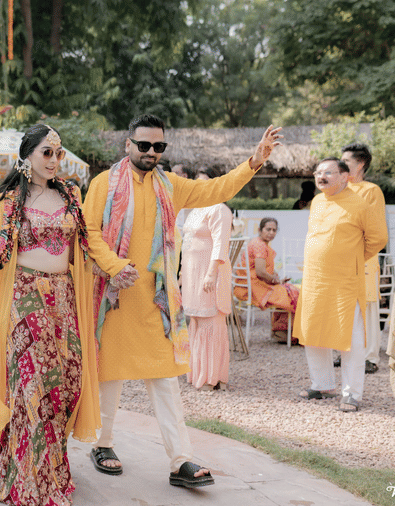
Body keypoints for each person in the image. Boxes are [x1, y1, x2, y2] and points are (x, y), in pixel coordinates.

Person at [83, 114, 282, 486]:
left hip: (157, 303)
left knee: (165, 380)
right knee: (109, 376)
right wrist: (114, 265)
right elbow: (89, 231)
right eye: (144, 145)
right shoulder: (103, 184)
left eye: (158, 146)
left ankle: (181, 461)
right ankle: (102, 443)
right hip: (115, 298)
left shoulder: (169, 185)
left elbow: (215, 190)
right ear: (128, 144)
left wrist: (253, 162)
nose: (151, 152)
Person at [0, 124, 100, 505]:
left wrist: (111, 268)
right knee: (32, 387)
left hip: (64, 299)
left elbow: (87, 244)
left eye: (58, 153)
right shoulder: (8, 202)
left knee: (64, 386)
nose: (54, 160)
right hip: (26, 298)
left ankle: (52, 469)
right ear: (27, 156)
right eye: (46, 152)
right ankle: (27, 478)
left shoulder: (71, 195)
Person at [294, 158, 387, 413]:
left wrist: (352, 258)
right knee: (313, 332)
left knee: (351, 338)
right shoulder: (317, 202)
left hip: (345, 280)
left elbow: (378, 238)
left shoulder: (360, 203)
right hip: (315, 279)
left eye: (328, 172)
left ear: (345, 176)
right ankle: (322, 384)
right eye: (318, 172)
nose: (321, 176)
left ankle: (351, 393)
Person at [180, 166, 233, 391]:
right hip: (192, 273)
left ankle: (212, 377)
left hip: (210, 272)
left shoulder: (220, 209)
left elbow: (221, 243)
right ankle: (197, 374)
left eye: (205, 182)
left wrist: (211, 273)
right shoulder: (194, 210)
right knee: (196, 320)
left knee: (211, 321)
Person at [342, 143, 386, 374]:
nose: (341, 166)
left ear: (360, 164)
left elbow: (375, 228)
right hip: (341, 258)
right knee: (345, 305)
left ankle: (370, 357)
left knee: (367, 308)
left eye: (346, 162)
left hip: (364, 257)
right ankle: (345, 350)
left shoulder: (371, 191)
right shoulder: (339, 190)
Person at [232, 217, 300, 342]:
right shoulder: (259, 246)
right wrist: (277, 281)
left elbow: (264, 270)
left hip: (251, 285)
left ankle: (283, 333)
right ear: (260, 230)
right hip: (255, 288)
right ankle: (288, 334)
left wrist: (276, 279)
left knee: (291, 291)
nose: (271, 233)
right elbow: (261, 272)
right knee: (293, 295)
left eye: (274, 230)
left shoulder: (258, 243)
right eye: (268, 229)